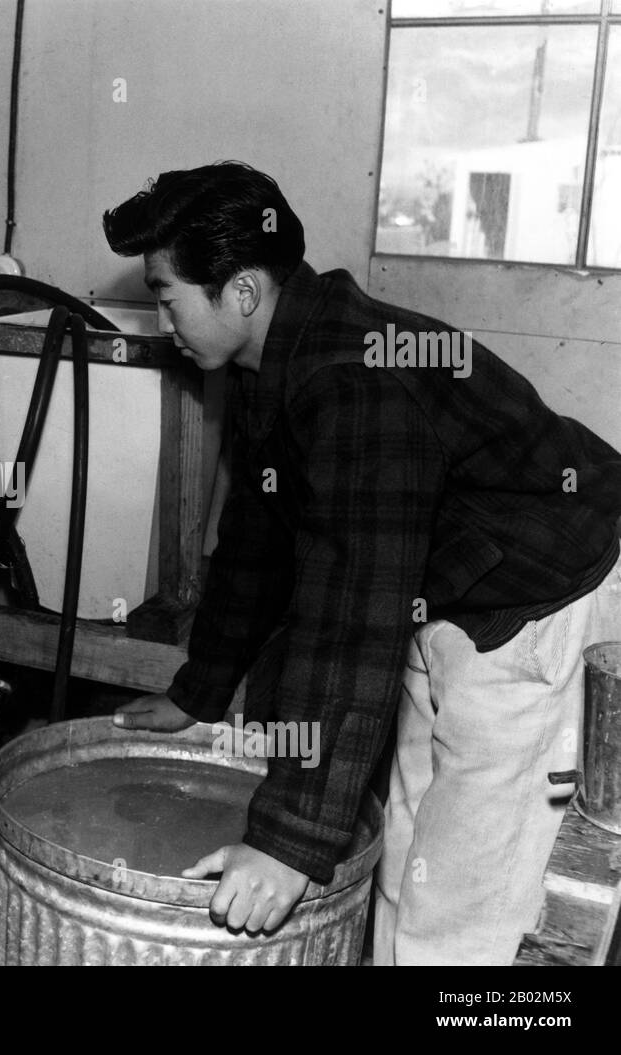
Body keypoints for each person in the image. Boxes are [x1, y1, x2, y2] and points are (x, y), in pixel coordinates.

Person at [102, 161, 621, 965]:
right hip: (451, 593)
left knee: (465, 908)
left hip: (540, 600)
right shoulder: (273, 357)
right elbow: (258, 538)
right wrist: (200, 689)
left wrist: (288, 841)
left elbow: (351, 612)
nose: (160, 317)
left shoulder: (352, 383)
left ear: (239, 291)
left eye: (165, 296)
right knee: (404, 863)